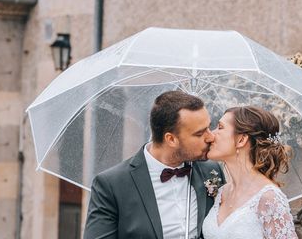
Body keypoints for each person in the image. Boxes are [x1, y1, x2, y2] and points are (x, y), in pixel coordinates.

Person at [84, 90, 225, 239]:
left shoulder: (212, 171)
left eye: (209, 127)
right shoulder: (111, 185)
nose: (210, 137)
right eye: (199, 133)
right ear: (171, 139)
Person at [201, 106, 298, 239]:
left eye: (220, 127)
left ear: (241, 140)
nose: (211, 135)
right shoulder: (222, 193)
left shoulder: (269, 198)